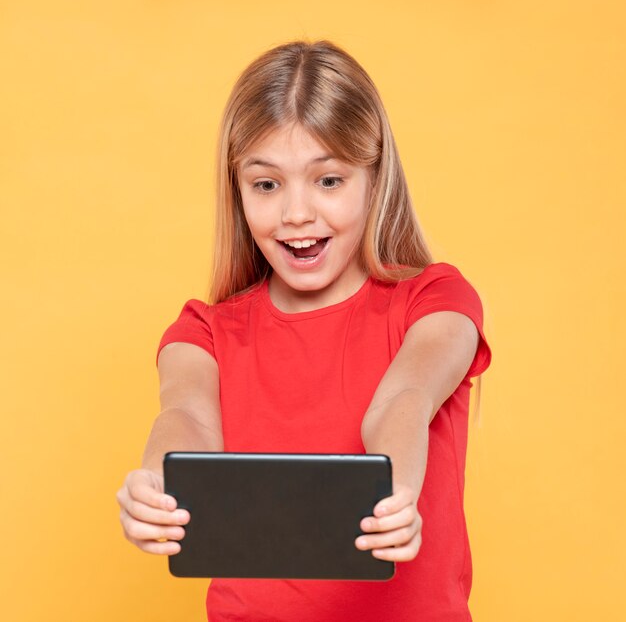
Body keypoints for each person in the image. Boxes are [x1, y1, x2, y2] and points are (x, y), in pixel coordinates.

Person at [116, 39, 492, 621]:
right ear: (237, 192)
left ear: (374, 179)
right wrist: (158, 485)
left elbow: (404, 397)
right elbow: (185, 417)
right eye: (267, 185)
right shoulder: (204, 333)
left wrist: (394, 493)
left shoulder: (434, 301)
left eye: (328, 181)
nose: (296, 214)